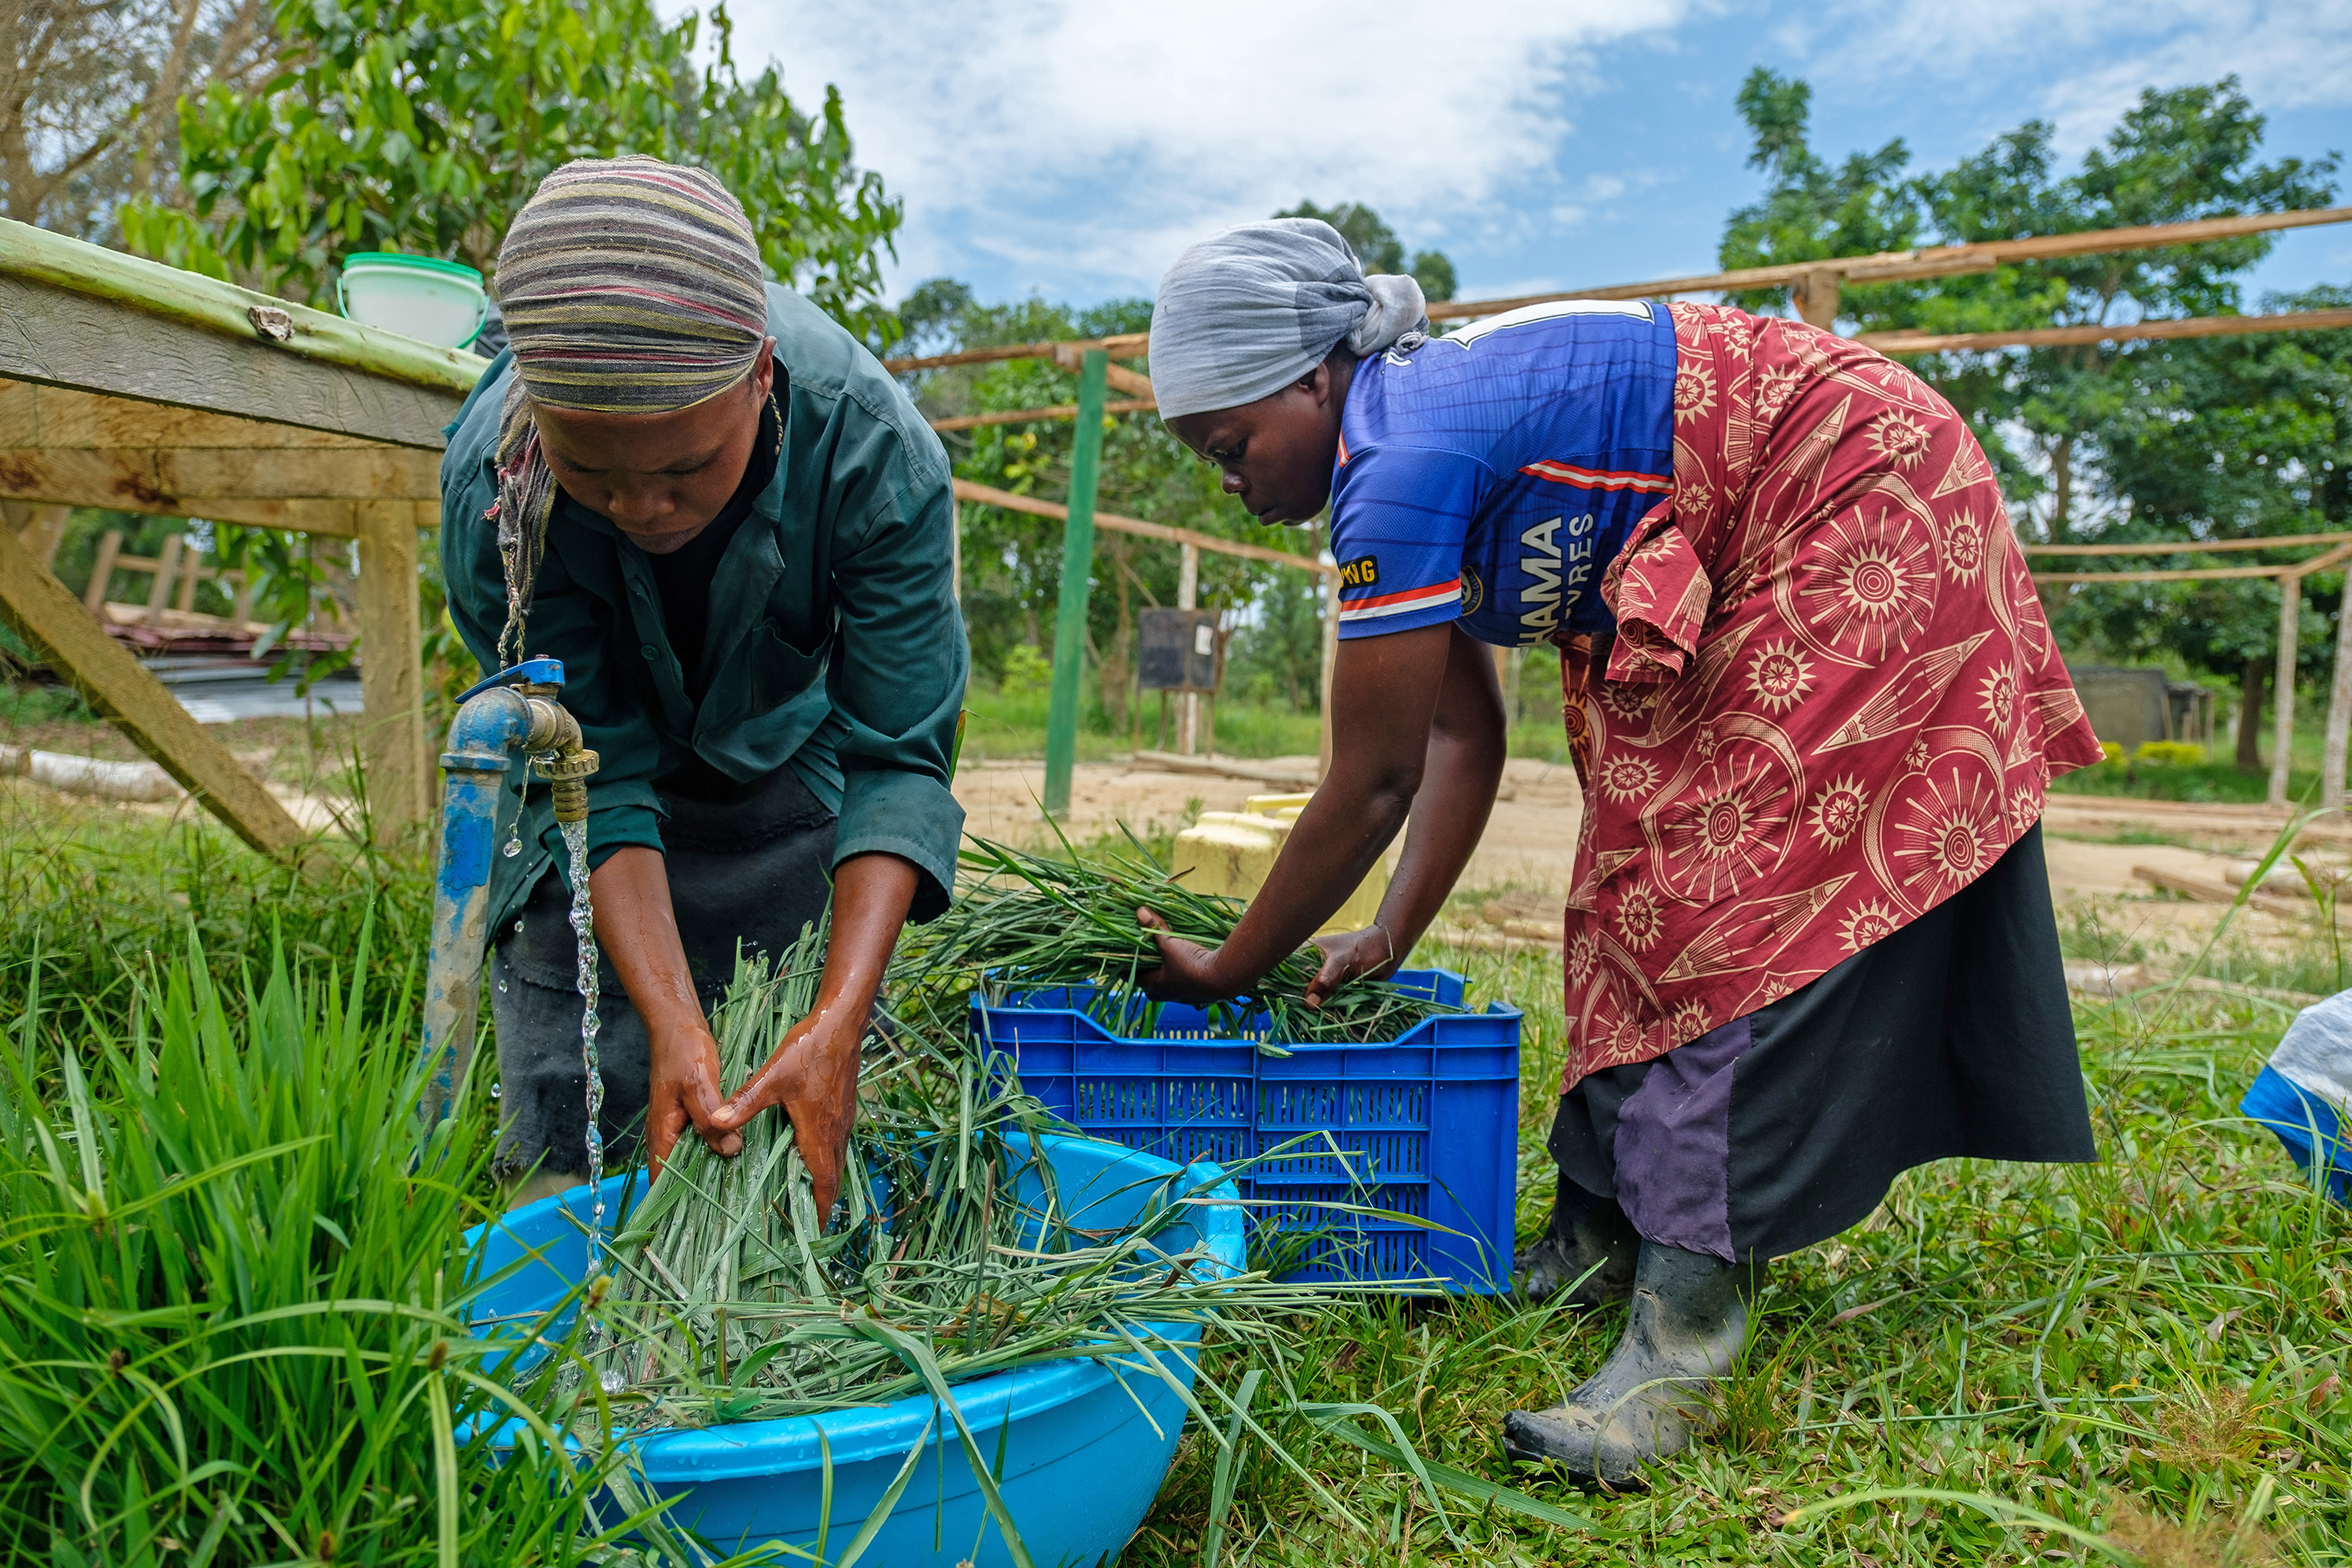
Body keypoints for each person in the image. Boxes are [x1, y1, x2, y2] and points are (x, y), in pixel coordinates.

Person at [1135, 218, 2105, 1487]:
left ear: (1316, 378)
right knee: (1630, 871)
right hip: (1737, 533)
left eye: (1230, 443)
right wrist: (1393, 932)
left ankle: (1683, 1345)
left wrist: (1226, 967)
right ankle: (1594, 1237)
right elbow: (1458, 744)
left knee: (1733, 900)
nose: (1228, 478)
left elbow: (1369, 784)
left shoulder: (1400, 452)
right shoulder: (1403, 439)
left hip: (1851, 493)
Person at [440, 156, 966, 1221]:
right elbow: (597, 769)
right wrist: (674, 1021)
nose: (645, 508)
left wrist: (838, 1022)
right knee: (581, 1101)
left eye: (685, 468)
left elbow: (897, 759)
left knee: (802, 1081)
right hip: (593, 804)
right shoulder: (495, 493)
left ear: (762, 376)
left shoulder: (873, 456)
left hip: (788, 756)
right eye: (595, 475)